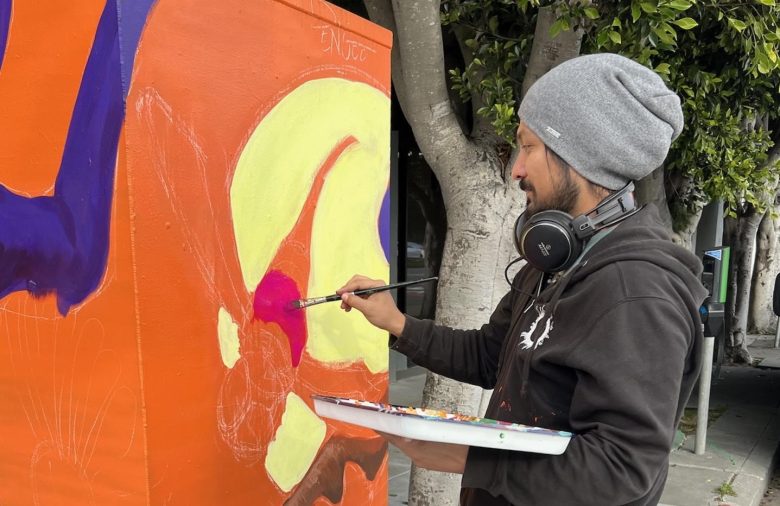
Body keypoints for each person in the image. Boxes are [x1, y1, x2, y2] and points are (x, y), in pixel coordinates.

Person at [337, 53, 707, 506]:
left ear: (581, 156)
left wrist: (467, 459)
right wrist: (397, 323)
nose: (516, 169)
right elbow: (490, 355)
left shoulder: (636, 292)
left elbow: (622, 470)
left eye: (528, 146)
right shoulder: (554, 260)